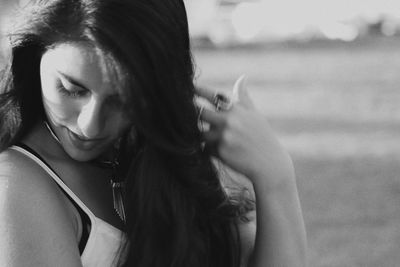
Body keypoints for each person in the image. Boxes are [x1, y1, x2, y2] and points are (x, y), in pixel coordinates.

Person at [0, 0, 307, 266]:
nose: (90, 125)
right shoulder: (14, 186)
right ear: (34, 55)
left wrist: (275, 176)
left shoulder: (151, 155)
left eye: (123, 100)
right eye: (71, 89)